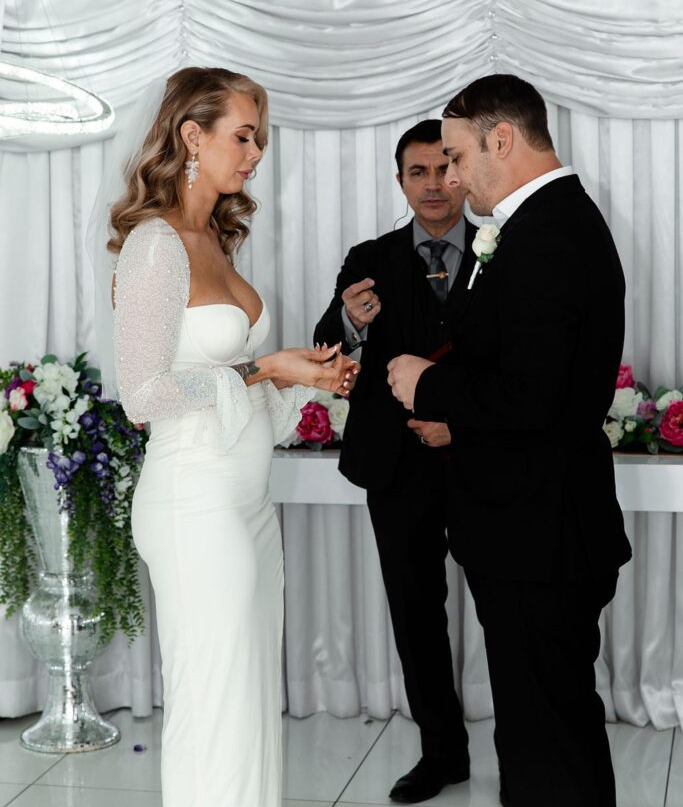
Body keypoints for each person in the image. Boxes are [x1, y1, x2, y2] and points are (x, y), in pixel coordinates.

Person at [108, 67, 359, 807]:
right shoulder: (156, 245)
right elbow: (142, 394)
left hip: (245, 505)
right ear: (192, 135)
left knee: (247, 697)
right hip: (193, 505)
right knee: (215, 701)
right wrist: (263, 367)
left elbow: (229, 378)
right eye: (242, 135)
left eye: (260, 139)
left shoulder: (212, 237)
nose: (254, 153)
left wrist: (296, 376)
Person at [387, 74, 632, 807]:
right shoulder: (546, 223)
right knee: (541, 730)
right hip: (537, 528)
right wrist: (458, 416)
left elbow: (535, 396)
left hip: (540, 534)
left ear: (502, 139)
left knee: (546, 738)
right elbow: (535, 384)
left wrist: (423, 384)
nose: (452, 178)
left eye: (458, 157)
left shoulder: (548, 234)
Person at [314, 119, 476, 804]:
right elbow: (327, 346)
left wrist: (460, 423)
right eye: (418, 173)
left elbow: (518, 362)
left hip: (481, 461)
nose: (434, 185)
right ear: (399, 180)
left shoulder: (506, 252)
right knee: (415, 614)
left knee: (510, 607)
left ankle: (528, 742)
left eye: (444, 170)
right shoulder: (369, 254)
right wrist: (350, 323)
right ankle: (442, 753)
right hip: (396, 468)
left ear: (462, 173)